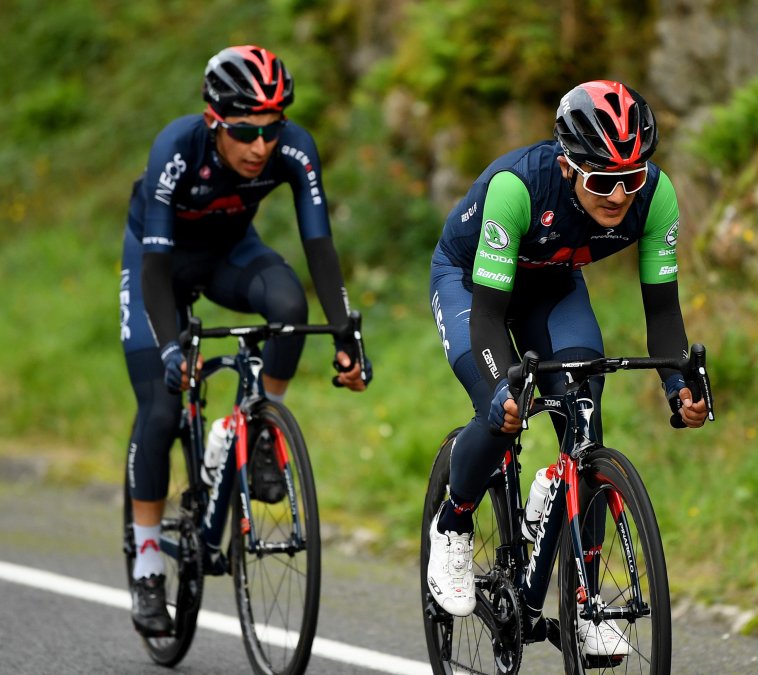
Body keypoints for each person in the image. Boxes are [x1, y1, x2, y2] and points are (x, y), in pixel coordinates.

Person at [426, 80, 709, 655]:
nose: (618, 196)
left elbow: (662, 308)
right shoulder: (517, 187)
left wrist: (679, 382)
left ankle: (585, 599)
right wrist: (501, 387)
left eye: (631, 179)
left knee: (585, 405)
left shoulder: (657, 197)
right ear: (567, 164)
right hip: (472, 285)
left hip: (552, 288)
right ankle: (453, 524)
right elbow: (487, 318)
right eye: (602, 181)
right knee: (501, 408)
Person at [120, 45, 370, 637]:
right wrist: (171, 348)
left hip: (232, 255)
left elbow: (319, 247)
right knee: (159, 408)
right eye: (244, 132)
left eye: (270, 130)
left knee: (288, 308)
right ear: (213, 121)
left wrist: (345, 333)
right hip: (159, 267)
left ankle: (258, 428)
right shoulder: (175, 151)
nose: (260, 147)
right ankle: (150, 562)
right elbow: (155, 271)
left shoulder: (293, 149)